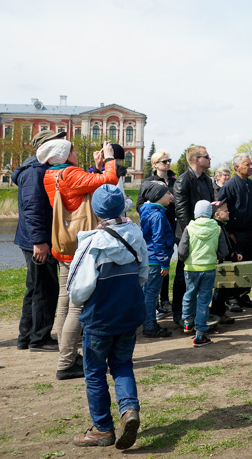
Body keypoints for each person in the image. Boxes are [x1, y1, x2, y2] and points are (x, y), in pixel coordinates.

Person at [67, 184, 147, 449]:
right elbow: (143, 274)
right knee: (123, 365)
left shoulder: (91, 242)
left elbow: (77, 289)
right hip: (129, 314)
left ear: (95, 210)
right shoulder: (136, 234)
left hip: (99, 319)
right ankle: (128, 411)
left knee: (95, 372)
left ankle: (102, 429)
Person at [42, 138, 119, 381]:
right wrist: (108, 160)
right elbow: (110, 182)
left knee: (64, 302)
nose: (76, 153)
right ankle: (66, 362)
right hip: (80, 246)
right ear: (65, 156)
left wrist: (95, 169)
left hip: (63, 244)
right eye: (73, 150)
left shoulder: (50, 175)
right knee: (76, 306)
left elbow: (84, 190)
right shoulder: (69, 173)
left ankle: (67, 355)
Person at [11, 130, 65, 352]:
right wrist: (40, 242)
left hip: (34, 239)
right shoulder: (35, 171)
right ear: (46, 147)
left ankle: (26, 337)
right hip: (38, 241)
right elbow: (33, 210)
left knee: (35, 287)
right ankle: (40, 339)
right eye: (58, 142)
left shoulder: (39, 168)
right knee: (45, 288)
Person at [171, 145, 215, 327]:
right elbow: (182, 212)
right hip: (187, 234)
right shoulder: (183, 181)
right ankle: (179, 313)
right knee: (183, 274)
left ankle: (197, 313)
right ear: (196, 159)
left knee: (202, 273)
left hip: (205, 232)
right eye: (206, 156)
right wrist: (195, 232)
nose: (210, 159)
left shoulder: (206, 180)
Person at [177, 200, 231, 347]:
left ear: (196, 212)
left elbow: (182, 251)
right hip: (208, 268)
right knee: (204, 299)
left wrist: (187, 259)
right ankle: (200, 334)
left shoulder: (189, 227)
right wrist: (214, 256)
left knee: (189, 293)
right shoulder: (217, 228)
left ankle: (187, 321)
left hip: (191, 268)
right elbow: (224, 251)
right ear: (210, 213)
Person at [218, 153, 252, 309]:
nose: (250, 167)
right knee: (236, 265)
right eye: (247, 165)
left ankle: (244, 295)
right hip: (236, 232)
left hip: (250, 231)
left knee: (248, 264)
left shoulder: (251, 184)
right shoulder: (229, 186)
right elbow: (222, 209)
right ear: (237, 167)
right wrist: (228, 232)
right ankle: (232, 299)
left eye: (251, 164)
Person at [138, 150, 177, 319]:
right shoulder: (149, 183)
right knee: (159, 267)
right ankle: (150, 317)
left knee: (164, 264)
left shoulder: (175, 181)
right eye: (163, 161)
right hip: (158, 223)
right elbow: (140, 205)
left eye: (169, 161)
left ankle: (164, 300)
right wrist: (154, 213)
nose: (167, 164)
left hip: (170, 224)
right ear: (155, 164)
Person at [138, 183, 174, 338]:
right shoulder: (158, 215)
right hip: (155, 261)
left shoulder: (147, 211)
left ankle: (147, 321)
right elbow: (158, 240)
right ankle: (150, 326)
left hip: (148, 258)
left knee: (147, 293)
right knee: (152, 295)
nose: (171, 196)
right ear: (159, 197)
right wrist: (164, 262)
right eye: (168, 194)